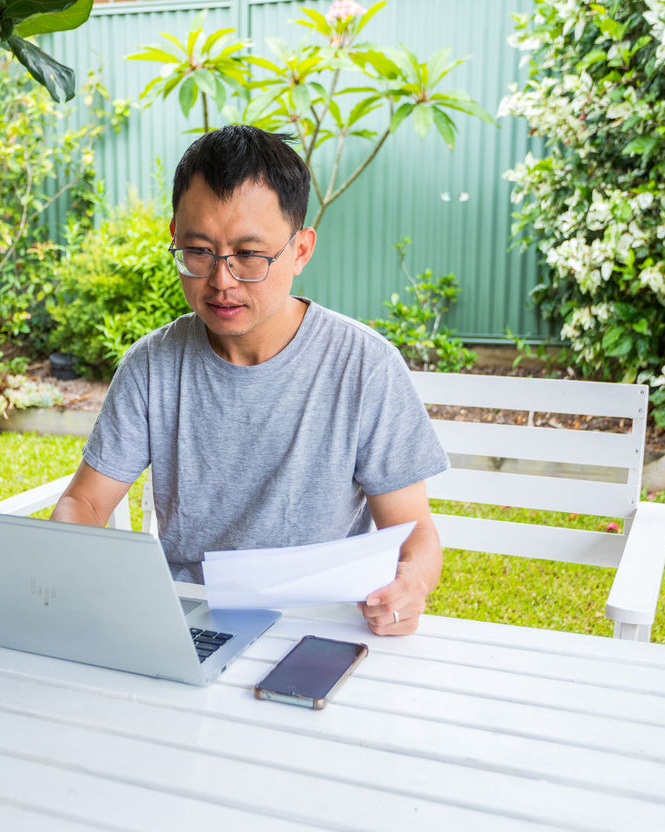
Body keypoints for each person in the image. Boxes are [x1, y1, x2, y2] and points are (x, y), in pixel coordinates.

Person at [50, 125, 448, 636]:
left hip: (318, 627)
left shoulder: (363, 366)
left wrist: (410, 584)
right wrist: (67, 558)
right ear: (174, 235)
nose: (221, 280)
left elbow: (413, 536)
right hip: (185, 624)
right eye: (198, 251)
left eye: (249, 255)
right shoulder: (152, 365)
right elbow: (84, 502)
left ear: (301, 250)